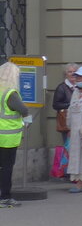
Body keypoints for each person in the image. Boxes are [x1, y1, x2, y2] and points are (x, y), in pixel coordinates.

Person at [0, 61, 34, 208]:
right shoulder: (10, 93)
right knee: (7, 167)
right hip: (8, 137)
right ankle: (5, 197)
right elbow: (23, 109)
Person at [51, 62, 79, 145]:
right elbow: (55, 105)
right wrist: (71, 105)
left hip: (80, 122)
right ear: (66, 74)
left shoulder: (81, 87)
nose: (72, 74)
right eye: (70, 72)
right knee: (69, 147)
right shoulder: (61, 88)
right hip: (67, 123)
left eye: (74, 72)